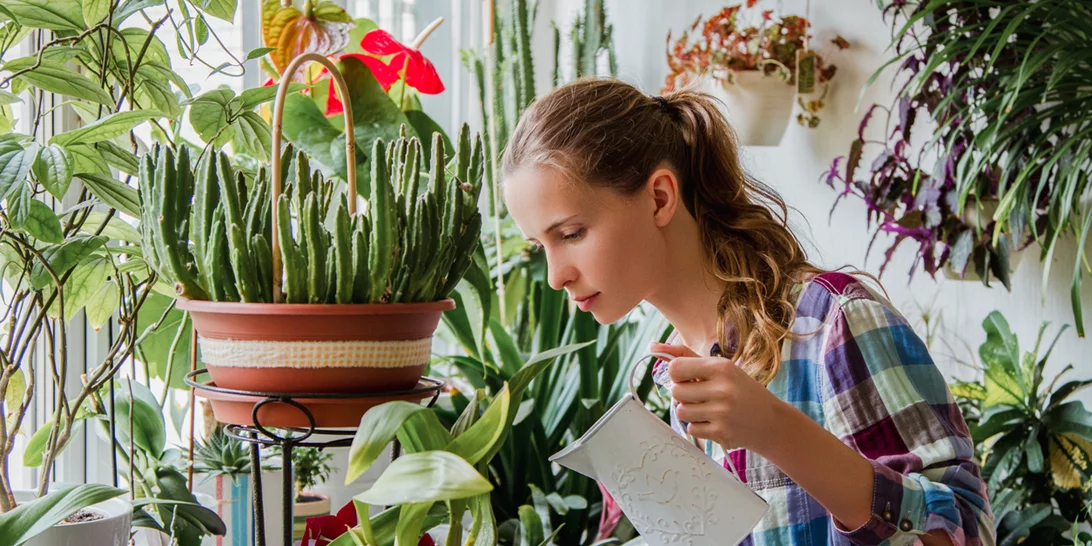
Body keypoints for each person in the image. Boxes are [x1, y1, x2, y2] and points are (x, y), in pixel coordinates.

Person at [501, 78, 995, 546]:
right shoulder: (674, 375)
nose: (555, 275)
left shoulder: (832, 323)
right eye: (540, 246)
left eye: (571, 234)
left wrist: (776, 430)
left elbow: (965, 533)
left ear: (659, 198)